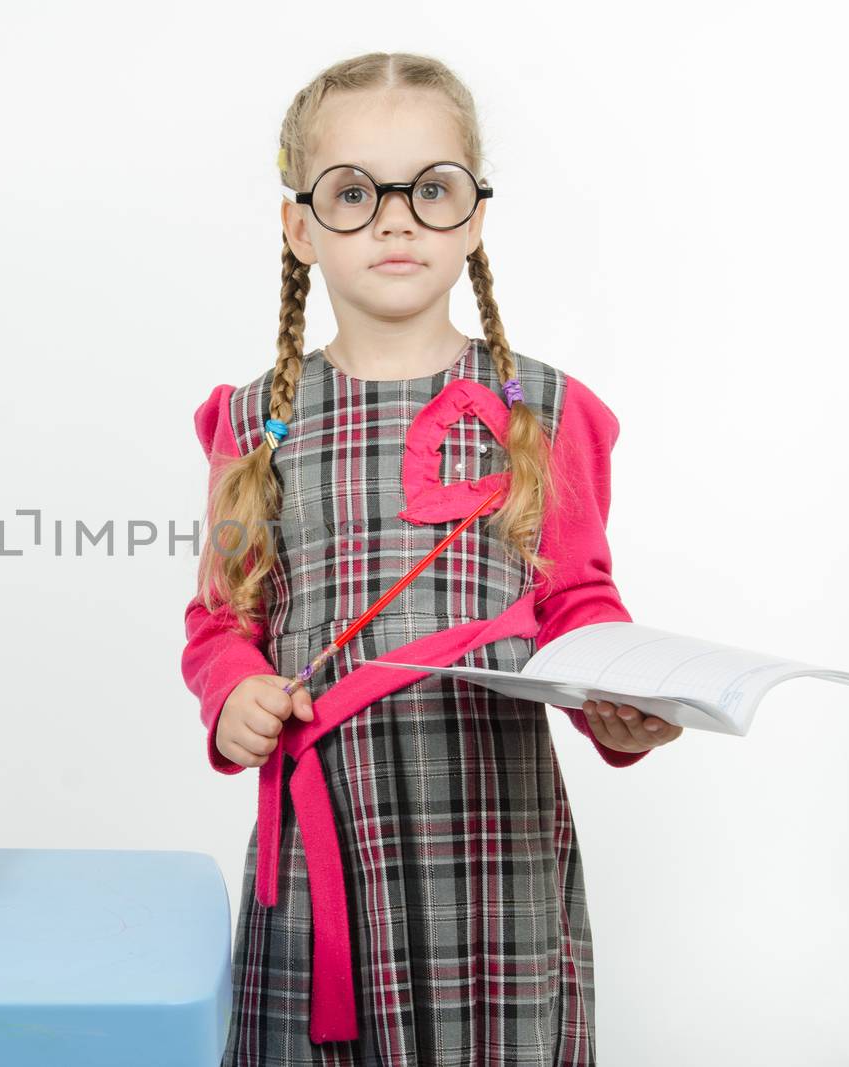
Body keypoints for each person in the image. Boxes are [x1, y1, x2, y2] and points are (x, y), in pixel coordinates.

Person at [180, 53, 682, 1064]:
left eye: (431, 189)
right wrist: (232, 691)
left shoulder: (548, 410)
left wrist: (617, 703)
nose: (396, 220)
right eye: (355, 193)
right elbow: (220, 619)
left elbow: (581, 601)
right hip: (332, 835)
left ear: (474, 217)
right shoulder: (253, 425)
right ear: (300, 226)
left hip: (490, 836)